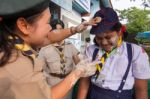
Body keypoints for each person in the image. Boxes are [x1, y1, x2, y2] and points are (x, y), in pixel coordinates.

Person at [0, 0, 100, 99]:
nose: (49, 28)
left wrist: (74, 29)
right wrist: (77, 72)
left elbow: (49, 37)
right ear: (24, 26)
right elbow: (48, 97)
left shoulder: (10, 45)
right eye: (48, 22)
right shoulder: (18, 65)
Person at [77, 7, 150, 99]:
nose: (103, 42)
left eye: (108, 37)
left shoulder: (135, 52)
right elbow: (84, 82)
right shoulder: (91, 51)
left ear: (119, 32)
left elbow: (141, 89)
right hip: (94, 94)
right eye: (99, 38)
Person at [38, 19, 80, 99]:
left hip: (68, 82)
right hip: (52, 82)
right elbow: (39, 70)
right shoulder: (44, 48)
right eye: (56, 30)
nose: (59, 33)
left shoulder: (70, 46)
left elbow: (78, 63)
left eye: (61, 30)